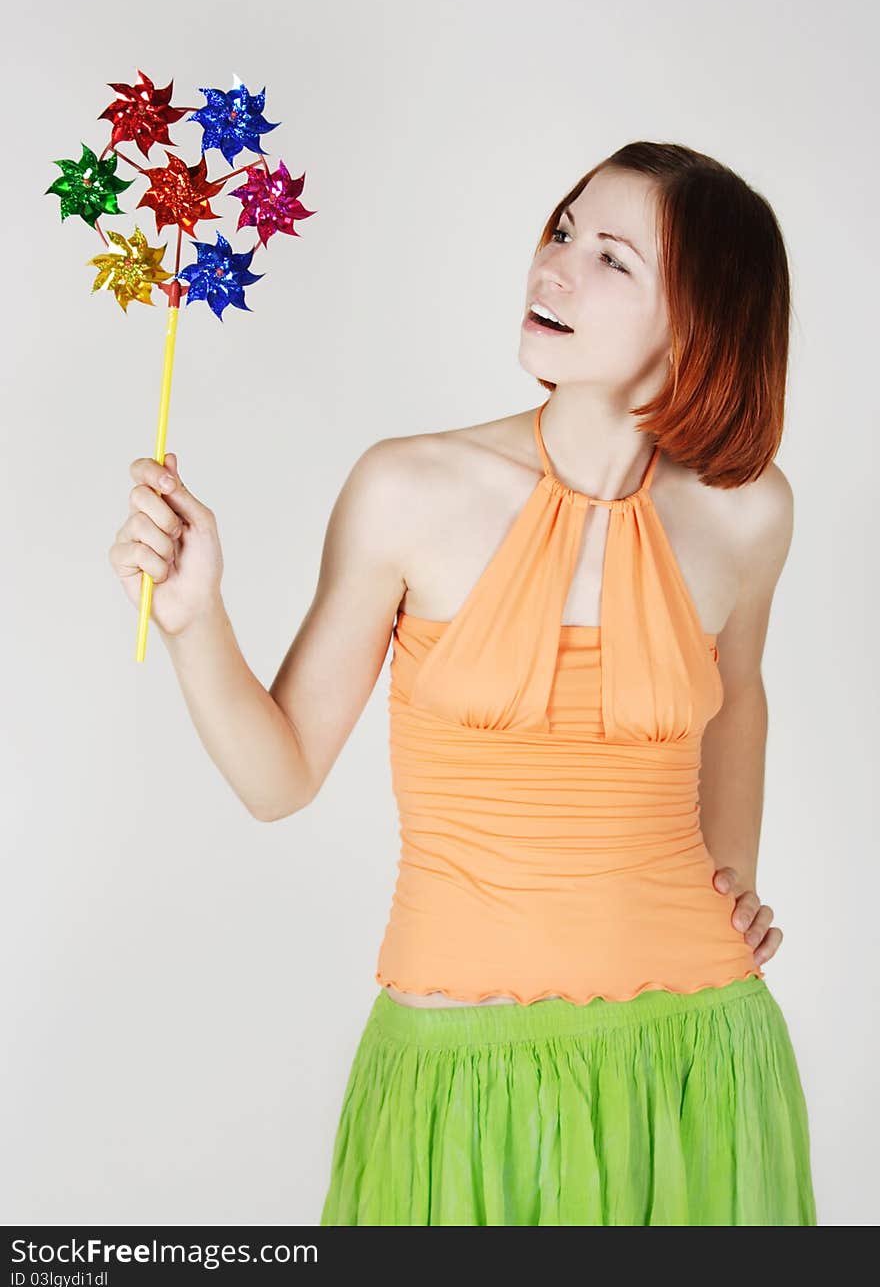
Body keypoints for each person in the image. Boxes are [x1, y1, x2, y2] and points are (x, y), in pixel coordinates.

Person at [109, 140, 817, 1225]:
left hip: (699, 1055)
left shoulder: (747, 514)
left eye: (612, 260)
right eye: (564, 229)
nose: (555, 264)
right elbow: (279, 775)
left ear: (697, 323)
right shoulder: (409, 489)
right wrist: (197, 617)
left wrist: (736, 880)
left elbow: (740, 696)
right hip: (456, 1072)